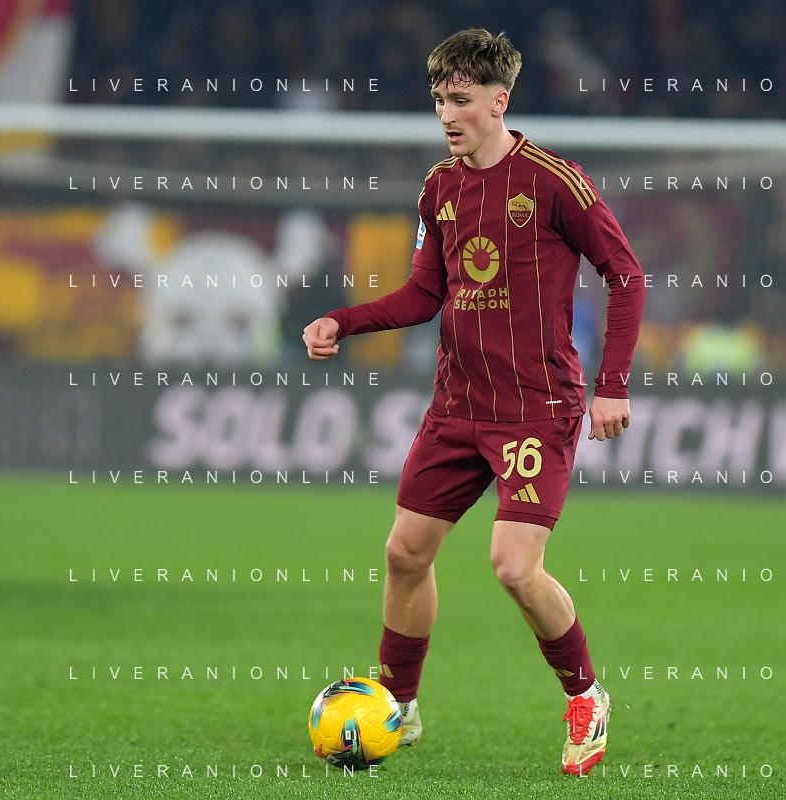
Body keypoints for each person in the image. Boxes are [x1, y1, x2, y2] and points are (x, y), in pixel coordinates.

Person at [302, 28, 645, 776]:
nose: (446, 115)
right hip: (457, 406)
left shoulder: (554, 181)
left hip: (535, 408)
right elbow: (425, 293)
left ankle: (585, 694)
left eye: (459, 100)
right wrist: (344, 321)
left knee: (514, 567)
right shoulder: (439, 187)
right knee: (404, 553)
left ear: (499, 101)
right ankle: (398, 705)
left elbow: (625, 275)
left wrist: (612, 384)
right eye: (438, 100)